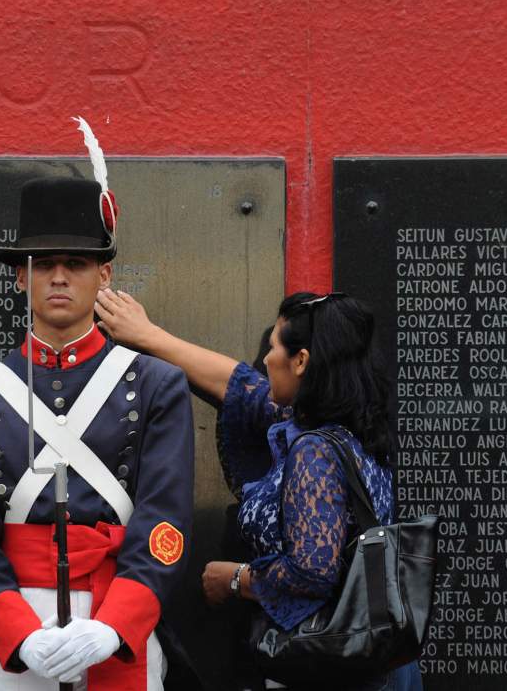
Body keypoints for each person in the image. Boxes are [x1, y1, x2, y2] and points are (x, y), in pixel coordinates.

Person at [95, 289, 423, 691]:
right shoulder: (355, 429)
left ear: (300, 361)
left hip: (329, 668)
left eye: (273, 348)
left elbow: (313, 570)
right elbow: (238, 385)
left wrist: (235, 578)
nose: (265, 360)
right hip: (379, 665)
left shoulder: (314, 450)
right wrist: (148, 336)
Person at [0, 176, 196, 690]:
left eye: (75, 264)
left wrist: (114, 627)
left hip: (120, 619)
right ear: (19, 278)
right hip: (19, 632)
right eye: (43, 265)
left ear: (104, 275)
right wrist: (20, 634)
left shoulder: (157, 385)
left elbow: (165, 523)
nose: (59, 277)